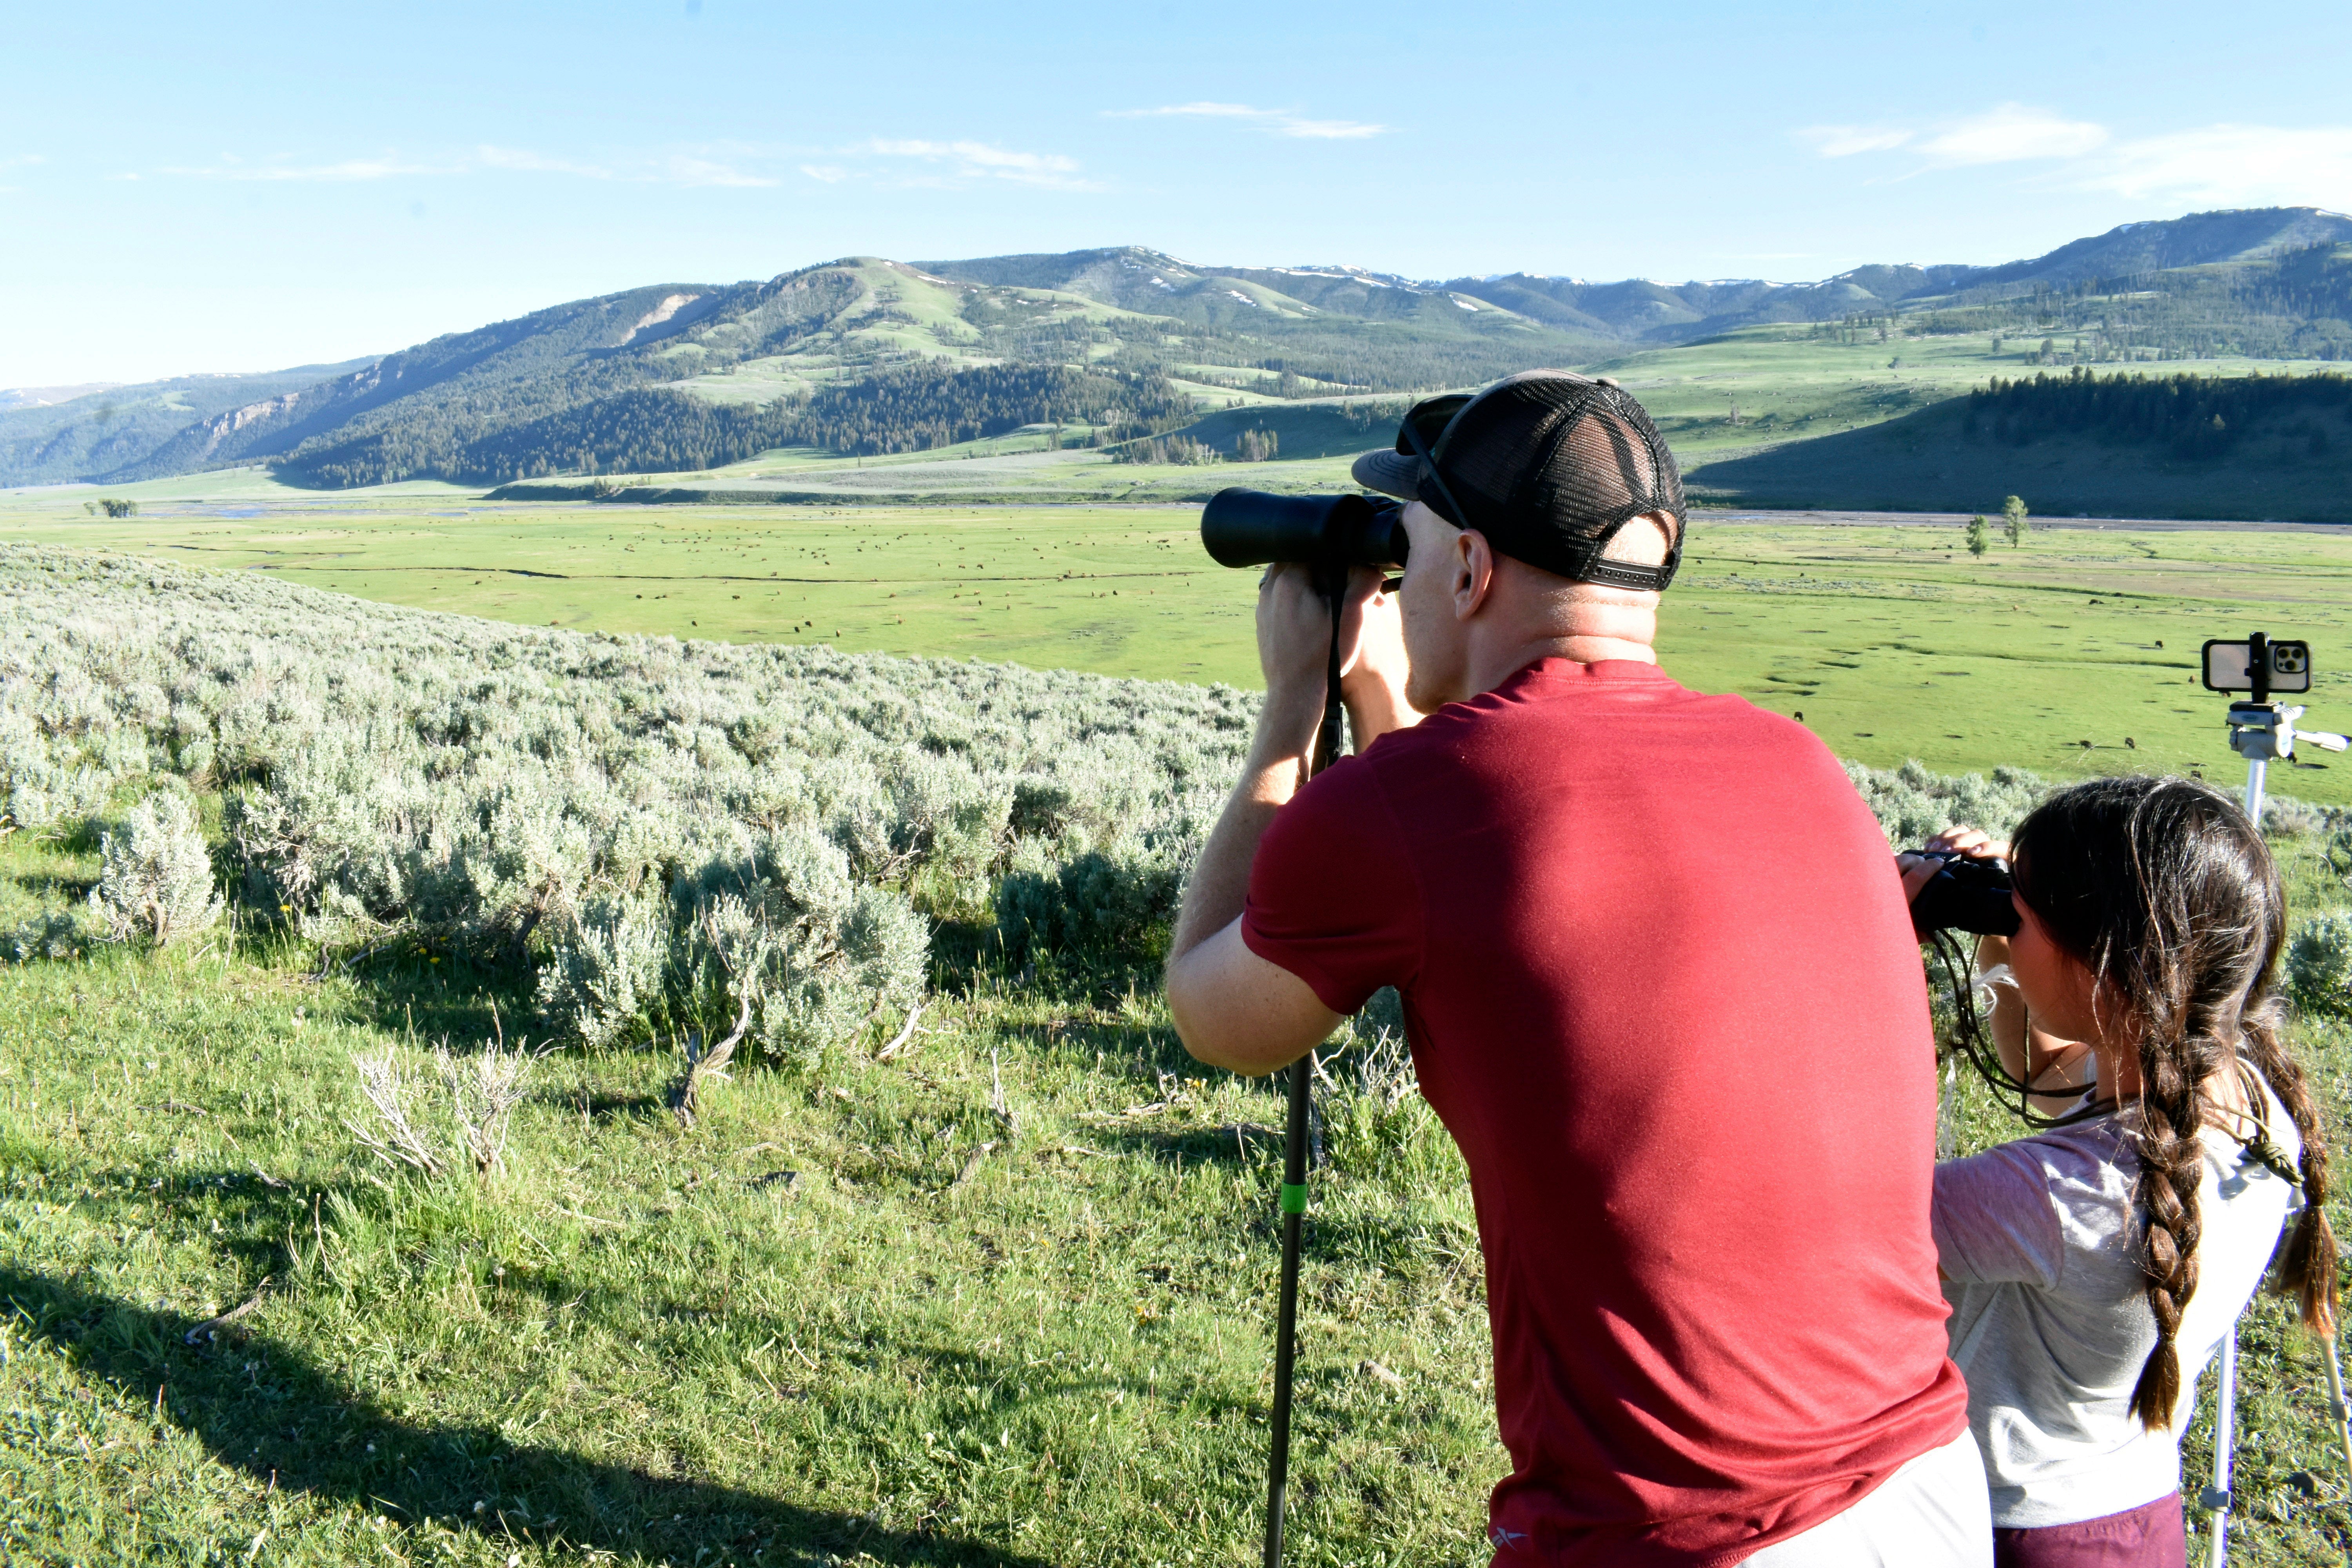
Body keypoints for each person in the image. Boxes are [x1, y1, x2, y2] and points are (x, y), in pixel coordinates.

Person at [1163, 371, 1983, 1565]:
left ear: (1468, 570)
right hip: (1927, 1486)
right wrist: (1390, 701)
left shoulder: (1412, 806)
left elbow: (1212, 1012)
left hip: (1676, 1532)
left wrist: (1295, 706)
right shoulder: (1799, 763)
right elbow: (1486, 872)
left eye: (1414, 540)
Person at [1900, 778, 2336, 1568]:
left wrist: (1885, 946)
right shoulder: (2249, 1101)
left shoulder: (2056, 1193)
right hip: (2135, 1512)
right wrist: (2014, 931)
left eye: (2018, 914)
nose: (2007, 918)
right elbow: (2042, 1066)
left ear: (2100, 963)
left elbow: (1824, 1219)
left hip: (2009, 1531)